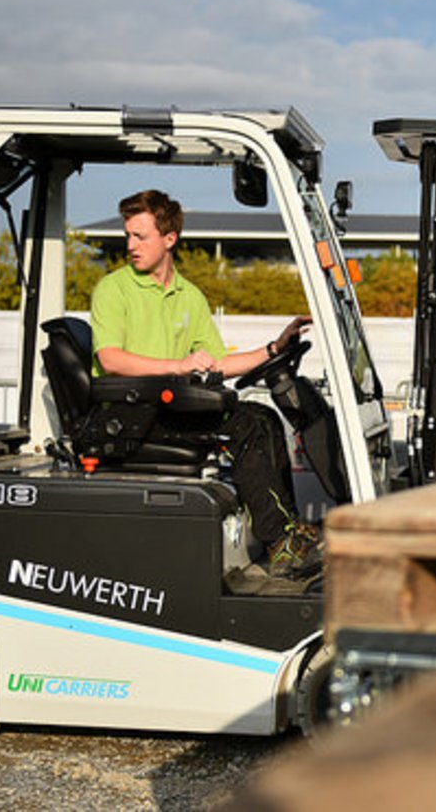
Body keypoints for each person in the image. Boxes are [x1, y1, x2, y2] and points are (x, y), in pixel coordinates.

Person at [90, 189, 321, 580]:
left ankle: (287, 531)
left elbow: (218, 363)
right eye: (128, 235)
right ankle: (280, 541)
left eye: (139, 236)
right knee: (246, 425)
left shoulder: (189, 296)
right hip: (131, 415)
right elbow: (110, 360)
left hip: (167, 407)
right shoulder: (114, 290)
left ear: (169, 238)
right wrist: (178, 365)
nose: (130, 245)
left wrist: (273, 347)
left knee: (262, 416)